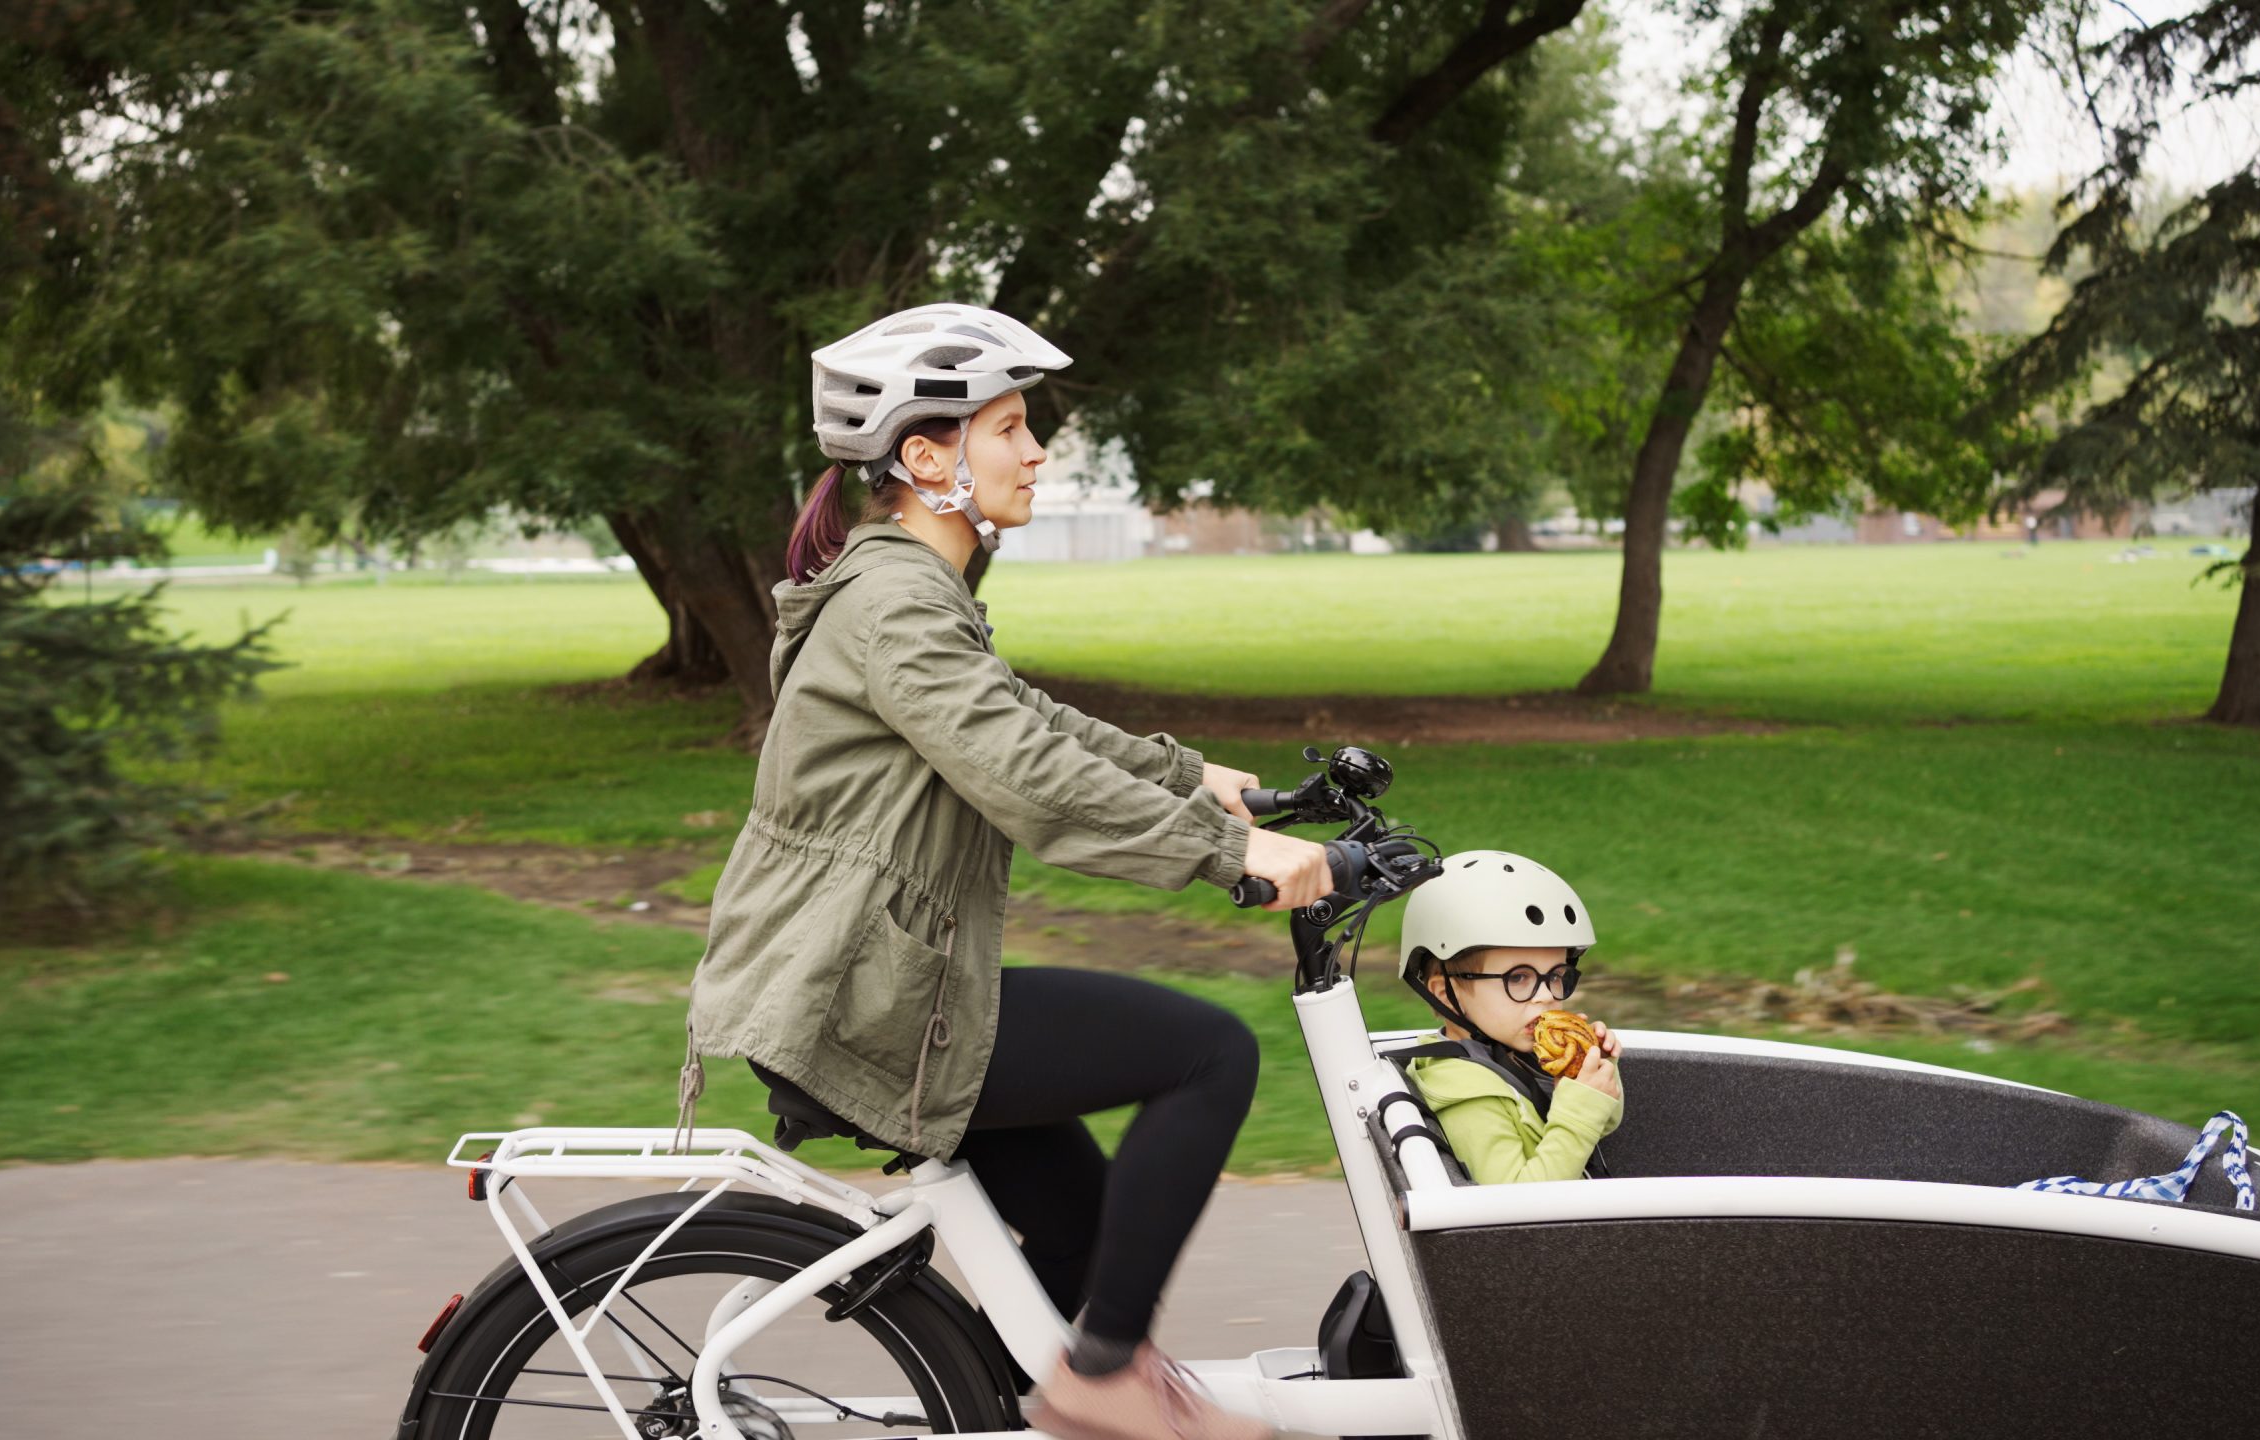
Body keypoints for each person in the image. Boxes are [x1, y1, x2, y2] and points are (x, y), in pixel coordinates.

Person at [685, 302, 1331, 1440]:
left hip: (878, 983)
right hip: (864, 999)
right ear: (926, 459)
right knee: (1208, 1055)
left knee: (1088, 1235)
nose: (1036, 453)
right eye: (1009, 429)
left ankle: (993, 1408)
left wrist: (1197, 779)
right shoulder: (896, 604)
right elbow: (1025, 774)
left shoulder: (910, 590)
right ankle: (1103, 1380)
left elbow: (1025, 718)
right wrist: (1229, 854)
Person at [1395, 850, 1625, 1184]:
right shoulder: (1467, 1093)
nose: (1546, 995)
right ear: (1447, 994)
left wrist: (1594, 1074)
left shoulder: (1512, 1053)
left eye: (1556, 975)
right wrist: (1580, 1108)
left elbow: (1602, 1125)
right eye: (1518, 978)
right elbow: (1515, 1203)